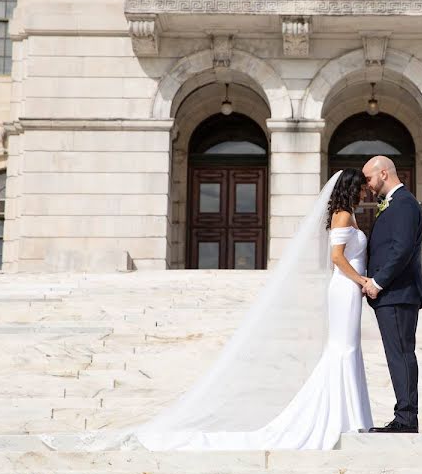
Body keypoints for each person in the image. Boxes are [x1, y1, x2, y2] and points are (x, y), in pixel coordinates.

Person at [39, 169, 373, 451]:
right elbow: (336, 258)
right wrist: (361, 280)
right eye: (360, 188)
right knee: (341, 349)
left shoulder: (351, 215)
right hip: (345, 288)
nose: (364, 192)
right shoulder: (342, 215)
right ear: (350, 189)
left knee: (347, 349)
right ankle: (340, 414)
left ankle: (350, 414)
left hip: (350, 290)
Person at [361, 155, 422, 433]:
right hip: (392, 296)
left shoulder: (404, 204)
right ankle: (404, 416)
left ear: (384, 173)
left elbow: (402, 249)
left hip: (398, 294)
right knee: (396, 355)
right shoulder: (392, 205)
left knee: (401, 355)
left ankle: (406, 419)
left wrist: (378, 282)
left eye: (369, 178)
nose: (367, 185)